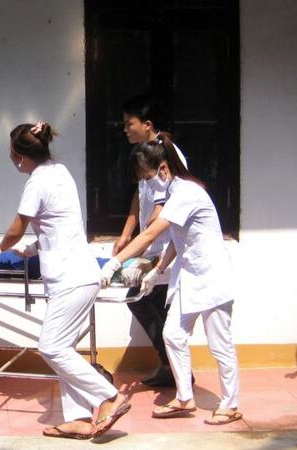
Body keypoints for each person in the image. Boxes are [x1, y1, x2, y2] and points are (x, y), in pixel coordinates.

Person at [0, 121, 130, 439]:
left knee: (51, 347)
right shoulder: (59, 171)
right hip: (77, 275)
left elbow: (16, 228)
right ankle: (80, 418)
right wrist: (35, 245)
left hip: (71, 278)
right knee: (64, 348)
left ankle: (109, 397)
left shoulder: (37, 182)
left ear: (17, 155)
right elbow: (58, 223)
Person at [100, 135, 242, 426]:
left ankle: (231, 404)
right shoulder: (175, 194)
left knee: (220, 344)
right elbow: (179, 239)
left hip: (212, 276)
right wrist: (158, 269)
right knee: (172, 335)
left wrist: (115, 262)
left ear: (164, 168)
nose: (148, 186)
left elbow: (151, 233)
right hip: (188, 277)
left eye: (148, 178)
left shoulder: (186, 193)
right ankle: (184, 398)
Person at [114, 94, 189, 388]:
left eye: (128, 123)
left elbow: (161, 209)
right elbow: (140, 197)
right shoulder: (145, 153)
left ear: (146, 124)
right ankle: (170, 365)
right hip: (150, 244)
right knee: (142, 300)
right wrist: (125, 233)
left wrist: (141, 244)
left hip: (167, 246)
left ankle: (175, 369)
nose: (125, 129)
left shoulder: (169, 156)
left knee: (146, 302)